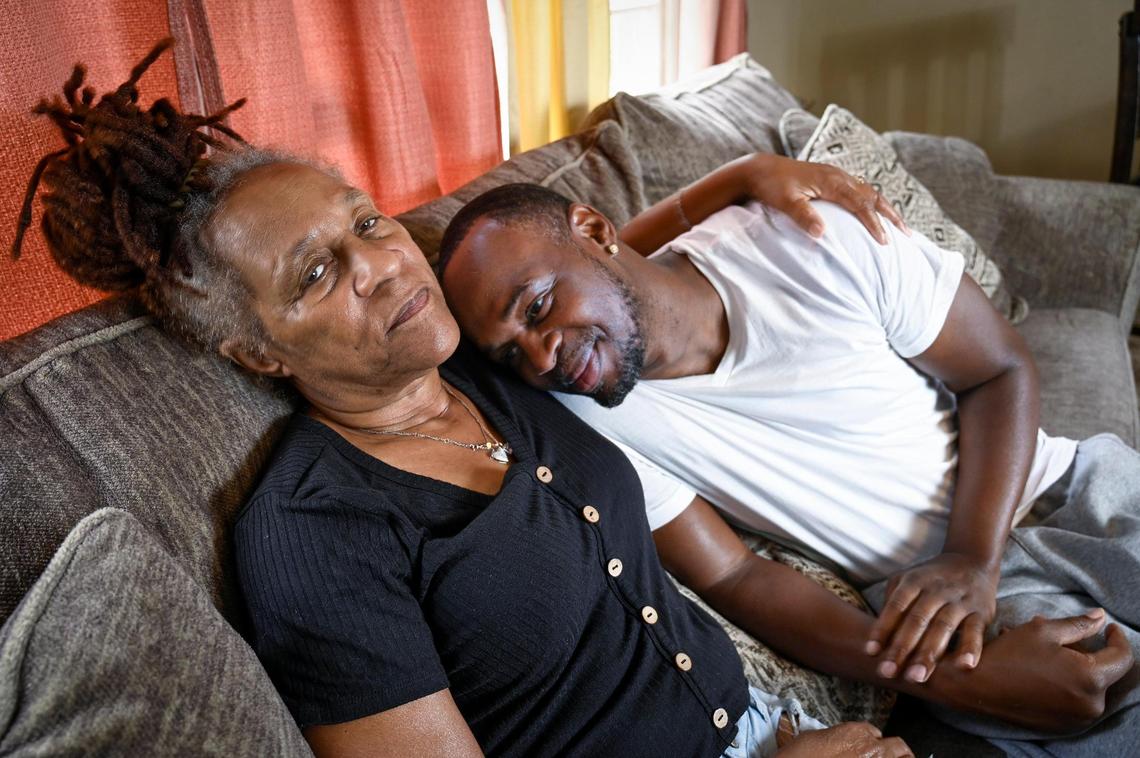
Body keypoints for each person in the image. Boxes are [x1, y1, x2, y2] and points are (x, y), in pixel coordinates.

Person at [13, 41, 933, 758]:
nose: (383, 262)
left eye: (364, 221)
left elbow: (587, 261)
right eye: (319, 273)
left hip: (779, 723)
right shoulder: (316, 534)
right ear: (255, 353)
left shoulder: (486, 357)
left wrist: (740, 181)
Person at [437, 183, 1140, 755]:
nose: (540, 357)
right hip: (938, 610)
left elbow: (999, 368)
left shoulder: (811, 233)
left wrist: (972, 556)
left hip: (1065, 488)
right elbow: (735, 575)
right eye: (509, 353)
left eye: (535, 307)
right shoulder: (586, 418)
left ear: (594, 231)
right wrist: (954, 680)